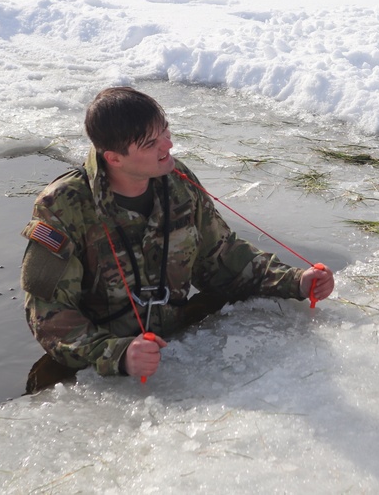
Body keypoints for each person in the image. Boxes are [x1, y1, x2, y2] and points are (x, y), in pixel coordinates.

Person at [20, 86, 335, 383]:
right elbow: (49, 316)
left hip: (177, 345)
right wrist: (117, 354)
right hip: (103, 366)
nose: (168, 145)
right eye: (150, 143)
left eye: (165, 131)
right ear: (114, 158)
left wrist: (295, 280)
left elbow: (223, 259)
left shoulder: (177, 182)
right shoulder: (63, 205)